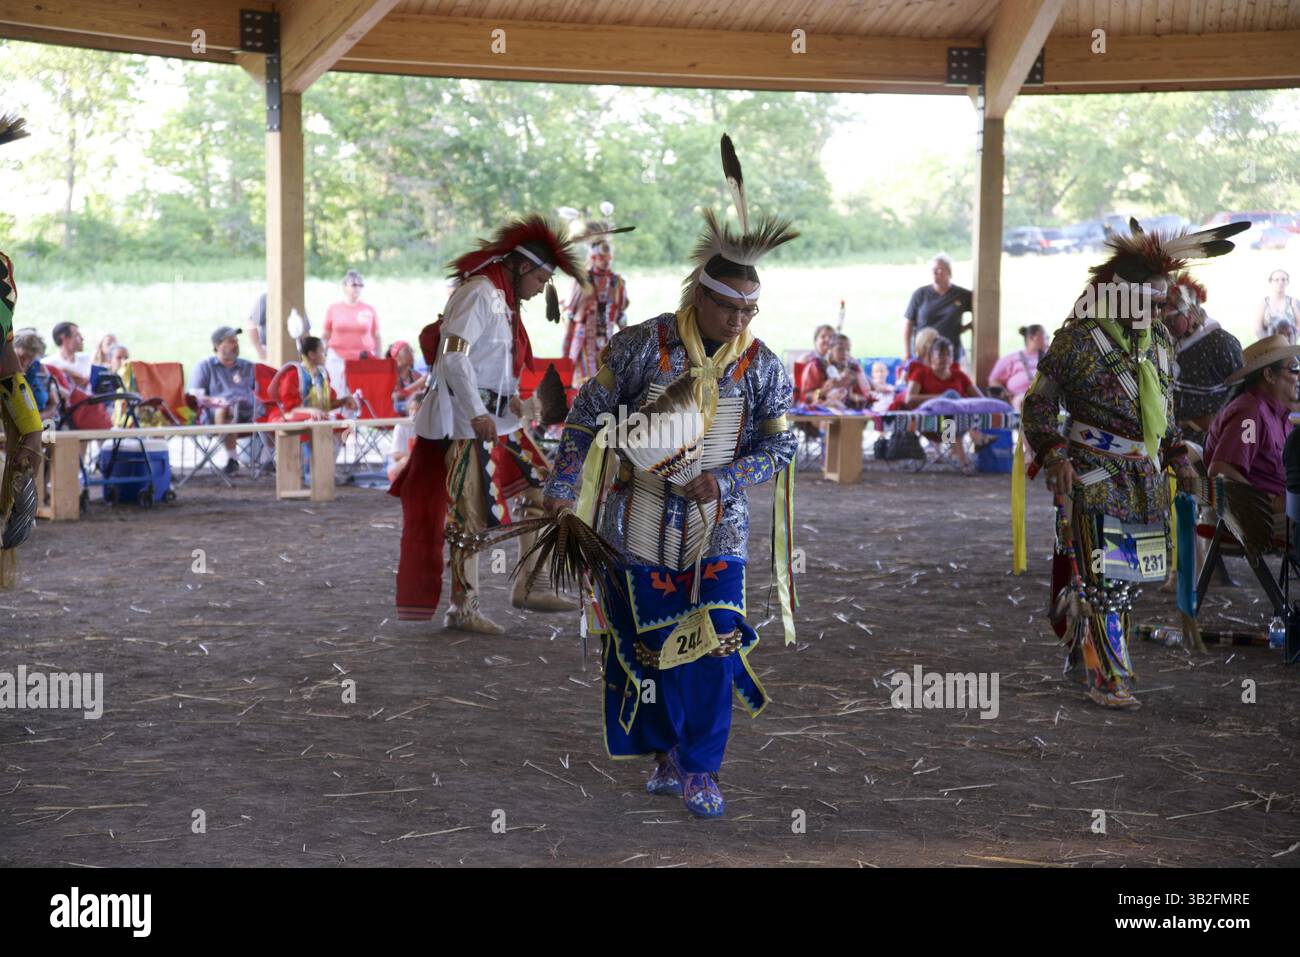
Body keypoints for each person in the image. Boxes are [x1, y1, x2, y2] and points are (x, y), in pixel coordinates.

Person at [542, 134, 799, 819]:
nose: (739, 320)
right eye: (728, 309)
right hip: (641, 519)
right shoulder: (639, 346)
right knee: (651, 643)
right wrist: (566, 485)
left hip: (721, 526)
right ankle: (662, 751)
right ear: (700, 297)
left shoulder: (764, 365)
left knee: (712, 636)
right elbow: (585, 415)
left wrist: (730, 474)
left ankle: (700, 766)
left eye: (750, 311)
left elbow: (785, 445)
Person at [1019, 218, 1247, 709]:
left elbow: (1160, 414)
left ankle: (1089, 652)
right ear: (1119, 296)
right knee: (1102, 578)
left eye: (1164, 302)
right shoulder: (1078, 341)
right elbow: (1038, 405)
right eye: (1152, 301)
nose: (1162, 309)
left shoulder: (1160, 344)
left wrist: (1175, 457)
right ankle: (1108, 676)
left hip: (1142, 477)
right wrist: (1055, 453)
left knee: (1128, 579)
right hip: (1092, 472)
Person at [391, 214, 588, 630]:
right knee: (470, 515)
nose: (539, 291)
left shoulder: (503, 300)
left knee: (547, 490)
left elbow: (488, 362)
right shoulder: (478, 293)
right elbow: (453, 357)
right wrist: (477, 411)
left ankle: (529, 585)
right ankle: (463, 608)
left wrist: (509, 398)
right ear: (520, 266)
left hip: (497, 419)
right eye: (540, 280)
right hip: (463, 422)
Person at [1203, 335, 1299, 542]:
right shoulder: (1250, 412)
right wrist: (1269, 502)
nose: (1298, 376)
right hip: (1260, 517)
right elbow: (1220, 471)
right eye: (1293, 368)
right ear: (1269, 375)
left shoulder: (1276, 414)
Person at [1164, 274, 1243, 442]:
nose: (1165, 324)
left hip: (1209, 438)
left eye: (1171, 319)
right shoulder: (1165, 339)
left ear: (1191, 313)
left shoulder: (1221, 343)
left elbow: (1242, 390)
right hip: (1172, 434)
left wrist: (1214, 423)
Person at [901, 336, 983, 472]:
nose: (945, 358)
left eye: (949, 354)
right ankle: (973, 441)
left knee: (952, 412)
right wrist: (941, 398)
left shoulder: (959, 376)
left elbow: (980, 399)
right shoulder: (921, 373)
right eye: (940, 354)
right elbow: (909, 399)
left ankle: (963, 459)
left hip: (953, 426)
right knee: (950, 397)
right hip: (929, 422)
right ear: (931, 357)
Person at [561, 231, 630, 386]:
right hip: (584, 341)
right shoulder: (582, 281)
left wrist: (628, 340)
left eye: (609, 258)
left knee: (606, 384)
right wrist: (566, 350)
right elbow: (570, 315)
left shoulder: (617, 282)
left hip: (607, 340)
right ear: (593, 258)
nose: (606, 262)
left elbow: (621, 315)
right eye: (601, 258)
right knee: (584, 385)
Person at [189, 326, 257, 475]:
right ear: (217, 345)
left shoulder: (248, 366)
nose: (236, 344)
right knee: (225, 409)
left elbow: (262, 392)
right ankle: (232, 459)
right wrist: (217, 401)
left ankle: (269, 459)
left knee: (271, 410)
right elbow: (195, 395)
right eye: (231, 341)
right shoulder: (205, 366)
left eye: (236, 341)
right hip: (217, 414)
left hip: (248, 412)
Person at [903, 253, 972, 362]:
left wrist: (966, 327)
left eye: (939, 269)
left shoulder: (962, 295)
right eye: (933, 270)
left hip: (949, 354)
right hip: (924, 353)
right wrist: (907, 353)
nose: (935, 273)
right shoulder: (920, 294)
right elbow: (908, 324)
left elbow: (982, 310)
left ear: (949, 272)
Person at [799, 333, 870, 410]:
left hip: (848, 413)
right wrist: (823, 391)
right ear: (830, 349)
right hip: (821, 414)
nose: (845, 353)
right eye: (840, 349)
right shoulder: (816, 366)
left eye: (848, 350)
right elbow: (805, 397)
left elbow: (864, 396)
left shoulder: (853, 368)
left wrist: (849, 395)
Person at [323, 270, 381, 362]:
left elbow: (376, 336)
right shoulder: (333, 308)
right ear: (345, 286)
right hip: (337, 358)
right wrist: (322, 356)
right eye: (354, 285)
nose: (357, 288)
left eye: (360, 285)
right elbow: (326, 335)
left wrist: (378, 358)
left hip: (365, 358)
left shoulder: (369, 309)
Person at [987, 325, 1047, 411]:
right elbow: (993, 380)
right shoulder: (1011, 358)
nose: (1048, 339)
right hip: (1020, 397)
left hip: (1049, 395)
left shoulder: (1051, 357)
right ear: (1033, 337)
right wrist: (1005, 393)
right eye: (1045, 336)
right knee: (1025, 401)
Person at [247, 292, 310, 362]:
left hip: (293, 349)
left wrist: (306, 353)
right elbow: (251, 323)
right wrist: (259, 350)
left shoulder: (297, 301)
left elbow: (305, 332)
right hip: (269, 349)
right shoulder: (266, 298)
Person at [1254, 269, 1300, 340]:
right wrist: (1269, 343)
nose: (1280, 282)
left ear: (1287, 282)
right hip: (1268, 346)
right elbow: (1257, 329)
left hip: (1289, 346)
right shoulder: (1264, 303)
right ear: (1270, 282)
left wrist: (1292, 339)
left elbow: (1299, 325)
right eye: (1276, 280)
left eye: (1283, 279)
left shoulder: (1293, 302)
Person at [44, 322, 91, 388]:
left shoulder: (86, 358)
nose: (82, 339)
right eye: (77, 335)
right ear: (64, 338)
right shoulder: (48, 364)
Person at [388, 340, 426, 415]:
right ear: (396, 357)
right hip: (396, 417)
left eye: (411, 350)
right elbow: (391, 398)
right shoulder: (391, 377)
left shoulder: (416, 375)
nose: (412, 352)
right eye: (407, 350)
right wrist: (416, 386)